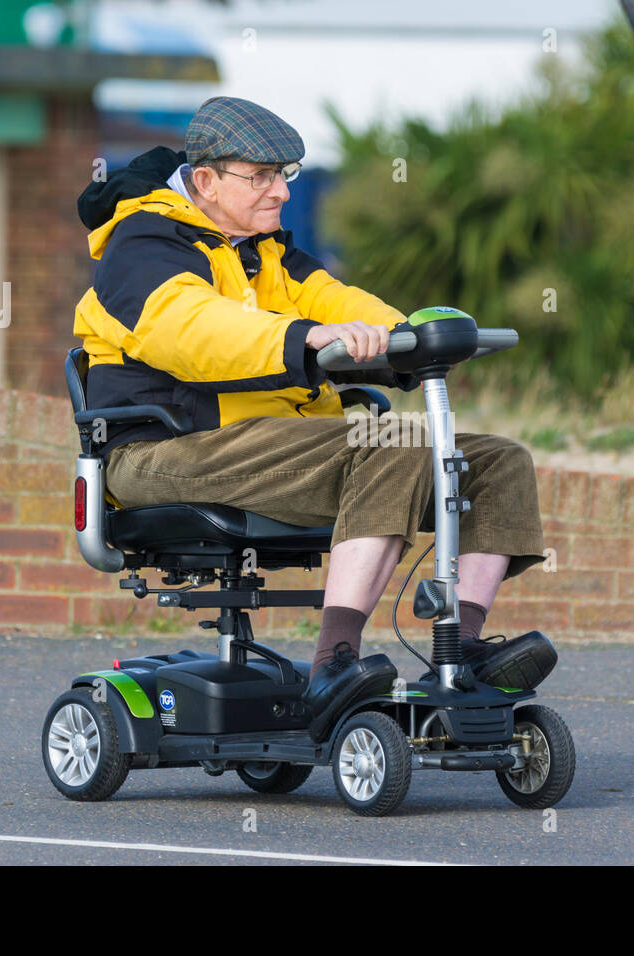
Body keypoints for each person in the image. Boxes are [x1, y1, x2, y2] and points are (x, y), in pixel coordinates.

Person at [73, 96, 556, 709]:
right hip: (166, 449)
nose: (280, 192)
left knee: (497, 461)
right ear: (205, 181)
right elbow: (193, 331)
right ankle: (335, 665)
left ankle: (458, 656)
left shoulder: (268, 251)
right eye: (262, 176)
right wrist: (305, 338)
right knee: (391, 446)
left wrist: (411, 337)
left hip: (269, 446)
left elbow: (339, 301)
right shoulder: (142, 245)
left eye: (286, 175)